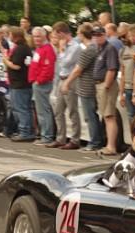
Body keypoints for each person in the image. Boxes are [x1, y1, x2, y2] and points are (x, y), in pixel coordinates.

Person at [62, 23, 102, 151]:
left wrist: (67, 82)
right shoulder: (95, 48)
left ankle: (95, 142)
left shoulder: (89, 50)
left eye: (78, 33)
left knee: (89, 115)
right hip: (89, 84)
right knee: (91, 115)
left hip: (86, 86)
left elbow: (78, 69)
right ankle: (96, 140)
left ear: (82, 34)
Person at [51, 21, 81, 149]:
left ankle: (75, 139)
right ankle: (60, 137)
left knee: (72, 110)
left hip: (71, 80)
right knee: (58, 110)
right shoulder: (63, 46)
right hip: (62, 78)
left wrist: (62, 50)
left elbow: (66, 62)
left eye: (57, 36)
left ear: (62, 33)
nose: (56, 39)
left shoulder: (75, 46)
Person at [1, 27, 33, 141]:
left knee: (21, 108)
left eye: (10, 34)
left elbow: (17, 66)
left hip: (20, 83)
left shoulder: (21, 49)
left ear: (15, 36)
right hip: (19, 83)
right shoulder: (23, 48)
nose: (9, 37)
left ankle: (25, 132)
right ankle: (23, 130)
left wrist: (6, 61)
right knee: (21, 108)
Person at [93, 25, 120, 157]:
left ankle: (111, 146)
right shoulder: (100, 49)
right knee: (106, 116)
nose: (97, 37)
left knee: (109, 116)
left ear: (105, 35)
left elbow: (112, 69)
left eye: (99, 35)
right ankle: (109, 144)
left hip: (106, 85)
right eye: (95, 35)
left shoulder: (109, 48)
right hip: (100, 84)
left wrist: (106, 86)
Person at [29, 27, 56, 145]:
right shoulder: (39, 49)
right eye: (34, 36)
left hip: (42, 84)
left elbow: (48, 68)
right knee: (40, 111)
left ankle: (47, 135)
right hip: (37, 82)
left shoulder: (47, 49)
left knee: (44, 110)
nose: (36, 39)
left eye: (38, 36)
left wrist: (39, 80)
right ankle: (44, 134)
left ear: (44, 36)